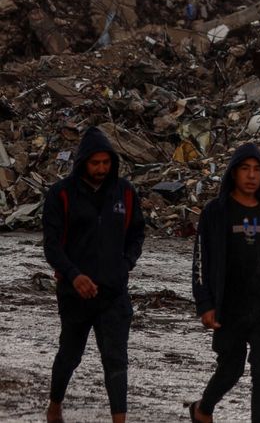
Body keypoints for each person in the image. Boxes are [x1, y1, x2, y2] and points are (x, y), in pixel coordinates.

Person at [42, 127, 145, 423]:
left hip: (113, 293)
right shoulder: (61, 195)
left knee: (116, 360)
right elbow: (52, 246)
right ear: (83, 162)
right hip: (75, 295)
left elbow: (137, 232)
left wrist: (126, 263)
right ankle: (55, 404)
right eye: (95, 163)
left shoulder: (124, 192)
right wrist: (74, 276)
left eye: (106, 163)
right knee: (70, 355)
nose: (101, 169)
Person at [189, 144, 260, 423]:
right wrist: (204, 303)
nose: (251, 176)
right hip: (229, 304)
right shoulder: (216, 212)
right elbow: (200, 261)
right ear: (233, 173)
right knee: (231, 369)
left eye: (257, 170)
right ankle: (203, 409)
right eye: (245, 169)